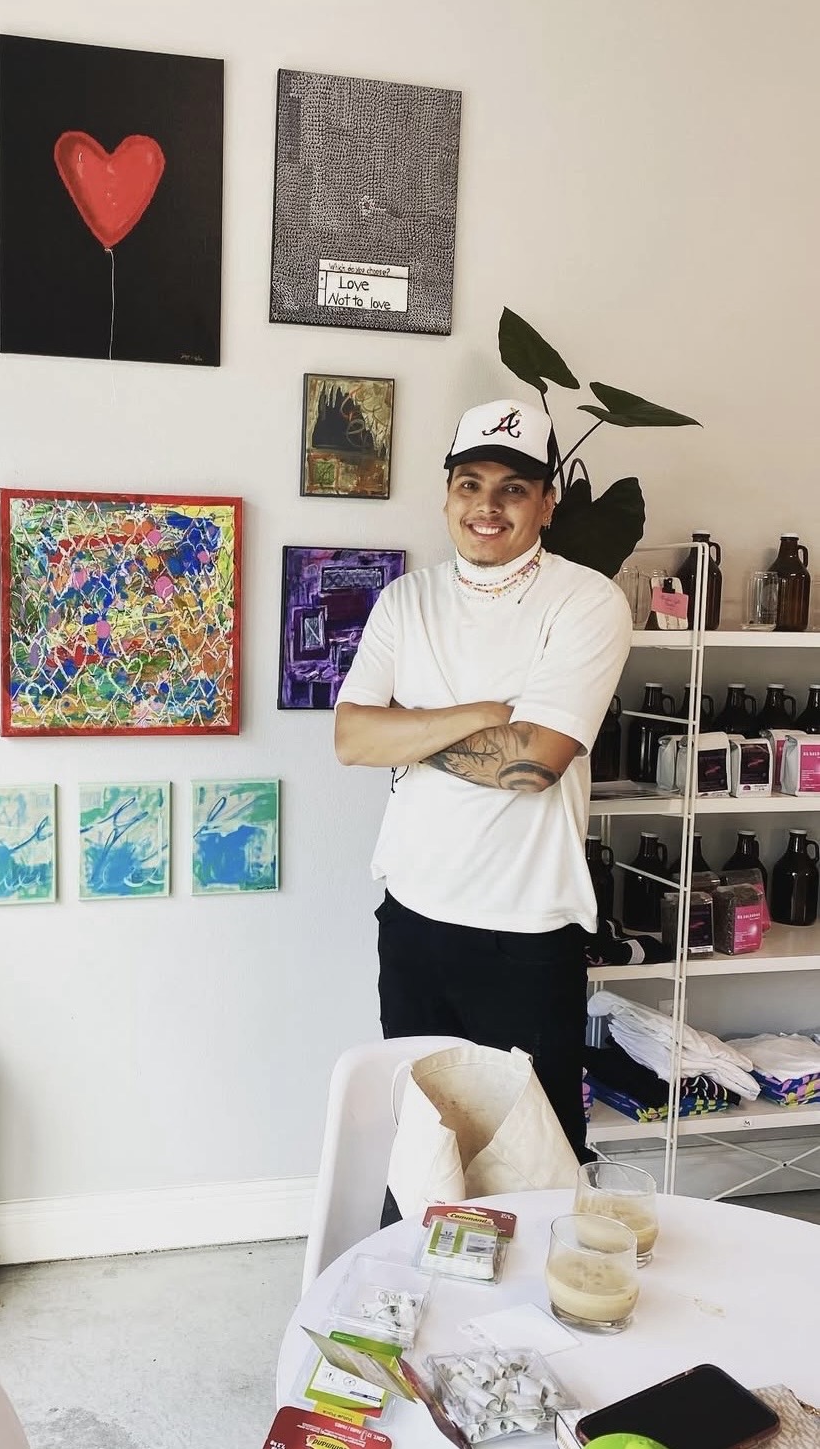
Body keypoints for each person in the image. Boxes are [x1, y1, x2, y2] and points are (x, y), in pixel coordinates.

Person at [334, 398, 632, 1164]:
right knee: (423, 1147)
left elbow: (532, 764)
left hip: (525, 933)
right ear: (447, 496)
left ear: (546, 503)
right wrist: (481, 713)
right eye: (471, 484)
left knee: (533, 1160)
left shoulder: (587, 601)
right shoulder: (406, 601)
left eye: (512, 488)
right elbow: (350, 736)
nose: (487, 506)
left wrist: (407, 727)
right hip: (412, 920)